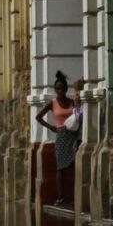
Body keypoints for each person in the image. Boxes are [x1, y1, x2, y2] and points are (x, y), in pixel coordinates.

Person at [35, 70, 81, 206]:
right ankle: (61, 197)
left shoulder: (72, 102)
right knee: (61, 167)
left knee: (72, 166)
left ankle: (73, 196)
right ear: (55, 90)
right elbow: (38, 117)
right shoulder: (52, 103)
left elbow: (79, 116)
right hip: (61, 136)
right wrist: (51, 127)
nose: (60, 91)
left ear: (66, 89)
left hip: (72, 135)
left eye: (62, 88)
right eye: (58, 89)